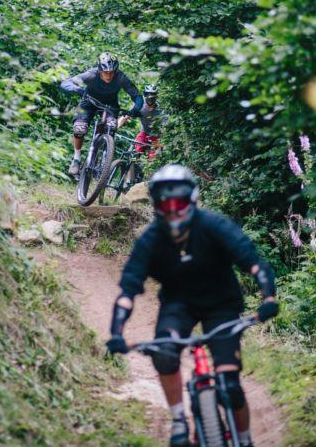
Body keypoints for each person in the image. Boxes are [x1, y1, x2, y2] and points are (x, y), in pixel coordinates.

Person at [105, 164, 279, 447]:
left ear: (193, 199)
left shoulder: (213, 226)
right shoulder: (150, 240)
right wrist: (116, 332)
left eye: (180, 202)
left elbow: (253, 262)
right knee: (164, 354)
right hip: (178, 306)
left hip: (222, 304)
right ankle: (178, 419)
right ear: (155, 205)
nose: (173, 210)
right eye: (165, 203)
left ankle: (244, 440)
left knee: (231, 385)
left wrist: (268, 298)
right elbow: (128, 289)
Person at [60, 52, 143, 175]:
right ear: (99, 70)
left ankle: (105, 159)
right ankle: (76, 159)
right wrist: (76, 89)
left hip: (110, 106)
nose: (109, 76)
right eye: (106, 72)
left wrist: (136, 108)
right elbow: (65, 83)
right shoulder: (91, 74)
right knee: (79, 129)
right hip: (89, 102)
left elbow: (137, 96)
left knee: (112, 126)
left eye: (111, 72)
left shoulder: (120, 77)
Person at [118, 83, 167, 160]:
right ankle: (133, 169)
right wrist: (115, 127)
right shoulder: (139, 104)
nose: (150, 97)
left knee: (152, 158)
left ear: (156, 96)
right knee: (136, 152)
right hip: (144, 132)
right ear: (145, 95)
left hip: (156, 136)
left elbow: (165, 127)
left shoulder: (161, 109)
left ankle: (149, 169)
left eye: (152, 95)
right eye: (148, 94)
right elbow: (125, 117)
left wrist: (163, 141)